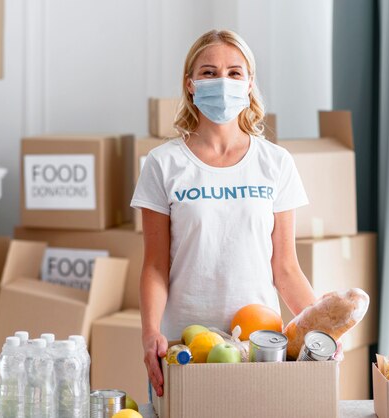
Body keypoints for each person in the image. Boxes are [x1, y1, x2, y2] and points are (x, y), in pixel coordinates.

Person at [130, 29, 316, 397]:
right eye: (209, 72)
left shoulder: (275, 163)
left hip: (260, 349)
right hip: (185, 350)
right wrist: (151, 333)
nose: (223, 81)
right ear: (191, 85)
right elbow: (154, 265)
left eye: (234, 72)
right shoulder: (163, 163)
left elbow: (286, 267)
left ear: (249, 84)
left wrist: (322, 332)